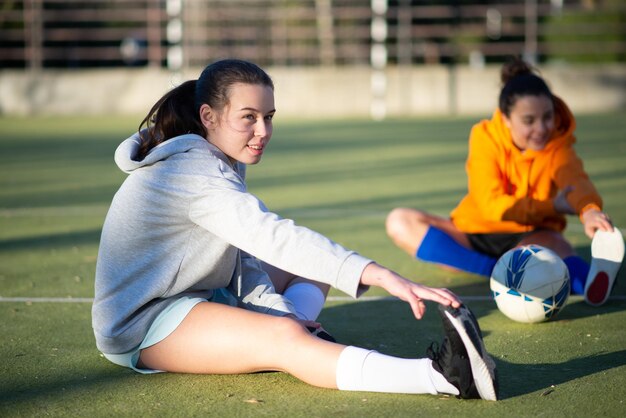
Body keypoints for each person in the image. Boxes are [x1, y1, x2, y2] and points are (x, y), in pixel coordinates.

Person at [92, 59, 498, 400]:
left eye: (268, 117)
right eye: (248, 118)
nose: (263, 131)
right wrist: (380, 274)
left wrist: (278, 309)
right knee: (283, 337)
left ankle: (304, 344)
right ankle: (442, 379)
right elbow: (270, 235)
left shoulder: (218, 156)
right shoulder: (191, 171)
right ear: (208, 117)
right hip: (145, 322)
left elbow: (241, 256)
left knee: (306, 282)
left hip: (199, 293)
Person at [385, 57, 624, 307]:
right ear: (506, 119)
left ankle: (590, 284)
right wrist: (551, 206)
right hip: (475, 232)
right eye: (529, 121)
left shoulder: (558, 145)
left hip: (530, 236)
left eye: (548, 117)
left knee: (556, 245)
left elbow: (575, 179)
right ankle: (497, 272)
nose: (541, 128)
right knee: (400, 221)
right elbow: (491, 205)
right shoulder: (484, 137)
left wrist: (589, 211)